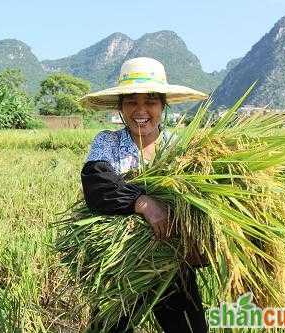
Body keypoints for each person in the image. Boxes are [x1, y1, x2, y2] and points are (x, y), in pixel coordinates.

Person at [79, 57, 209, 333]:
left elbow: (201, 204)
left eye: (150, 101)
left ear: (163, 105)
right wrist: (143, 202)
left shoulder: (180, 150)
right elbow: (96, 184)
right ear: (121, 107)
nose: (141, 110)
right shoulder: (108, 142)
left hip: (173, 263)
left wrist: (198, 242)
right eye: (131, 102)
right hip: (122, 265)